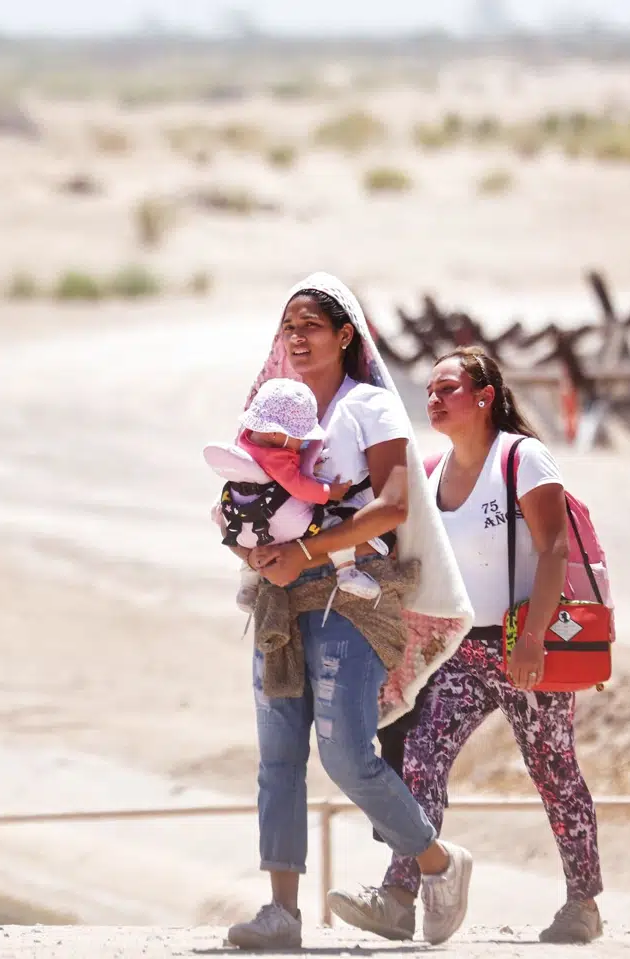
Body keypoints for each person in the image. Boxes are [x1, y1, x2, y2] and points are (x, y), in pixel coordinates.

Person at [222, 274, 476, 951]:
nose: (297, 338)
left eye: (311, 325)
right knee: (277, 758)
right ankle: (281, 912)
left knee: (344, 754)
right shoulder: (277, 407)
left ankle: (437, 863)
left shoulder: (370, 407)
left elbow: (392, 504)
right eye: (288, 327)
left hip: (353, 601)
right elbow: (248, 491)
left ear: (345, 335)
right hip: (281, 600)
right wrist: (250, 545)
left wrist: (304, 549)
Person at [326, 345, 605, 945]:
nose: (433, 399)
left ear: (484, 397)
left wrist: (532, 639)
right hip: (458, 651)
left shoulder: (522, 459)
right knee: (420, 757)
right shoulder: (428, 473)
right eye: (428, 390)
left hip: (524, 645)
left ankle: (583, 903)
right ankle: (399, 895)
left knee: (553, 769)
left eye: (447, 389)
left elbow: (554, 548)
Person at [204, 376, 382, 614]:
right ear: (277, 434)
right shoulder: (277, 457)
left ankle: (248, 586)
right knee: (333, 523)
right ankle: (347, 570)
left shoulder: (246, 442)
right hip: (284, 523)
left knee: (253, 542)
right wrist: (330, 492)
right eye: (300, 437)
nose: (302, 443)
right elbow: (299, 487)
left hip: (243, 526)